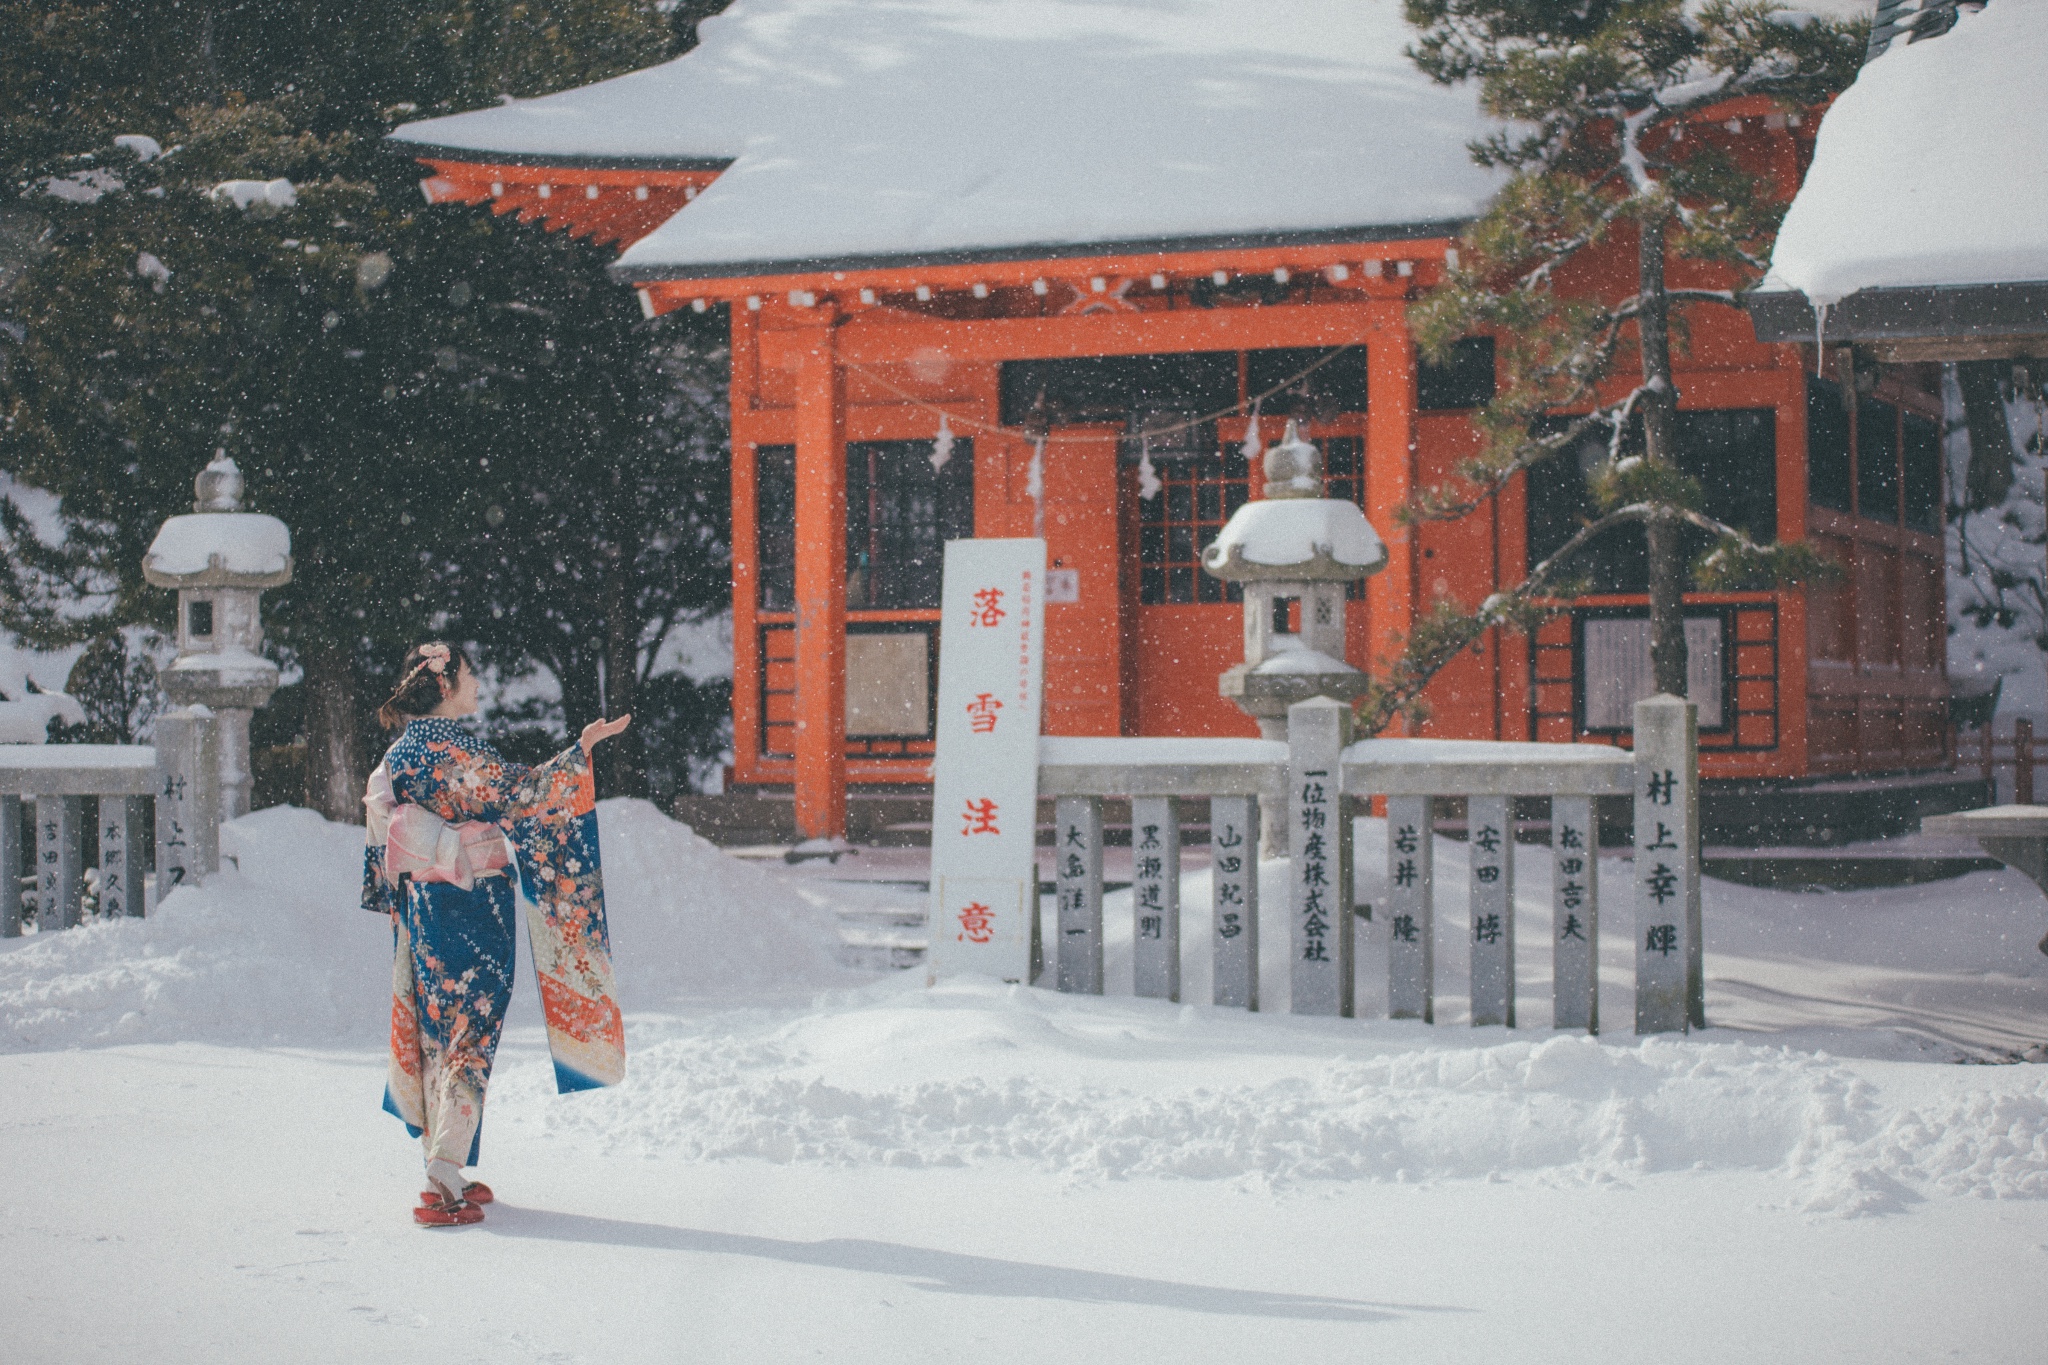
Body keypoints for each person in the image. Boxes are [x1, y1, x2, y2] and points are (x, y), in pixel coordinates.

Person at [362, 641, 630, 1228]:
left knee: (440, 1024)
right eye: (470, 673)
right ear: (445, 684)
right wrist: (579, 754)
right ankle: (441, 1177)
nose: (478, 682)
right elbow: (522, 795)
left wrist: (396, 889)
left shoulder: (403, 750)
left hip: (427, 903)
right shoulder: (451, 748)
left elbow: (380, 816)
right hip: (471, 900)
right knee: (471, 1026)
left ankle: (444, 1160)